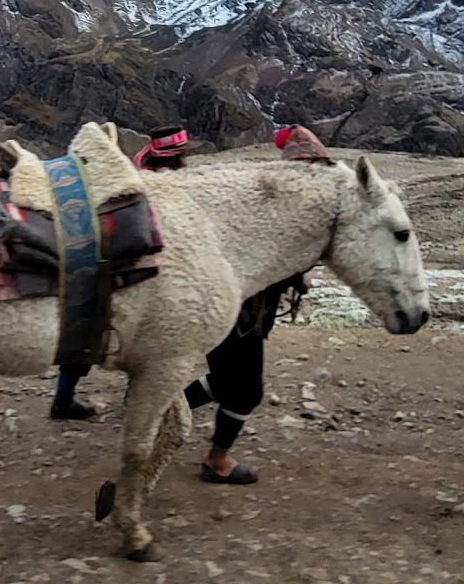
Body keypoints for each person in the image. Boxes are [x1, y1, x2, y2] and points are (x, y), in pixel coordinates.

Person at [187, 124, 333, 484]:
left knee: (224, 382)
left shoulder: (274, 203)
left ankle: (159, 407)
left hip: (232, 306)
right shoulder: (281, 211)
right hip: (240, 311)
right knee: (246, 391)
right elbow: (265, 258)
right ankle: (216, 460)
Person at [50, 125, 204, 420]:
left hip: (114, 267)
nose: (185, 163)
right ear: (170, 160)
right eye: (181, 157)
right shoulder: (154, 190)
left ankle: (64, 397)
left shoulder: (130, 180)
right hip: (136, 273)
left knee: (86, 331)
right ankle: (141, 400)